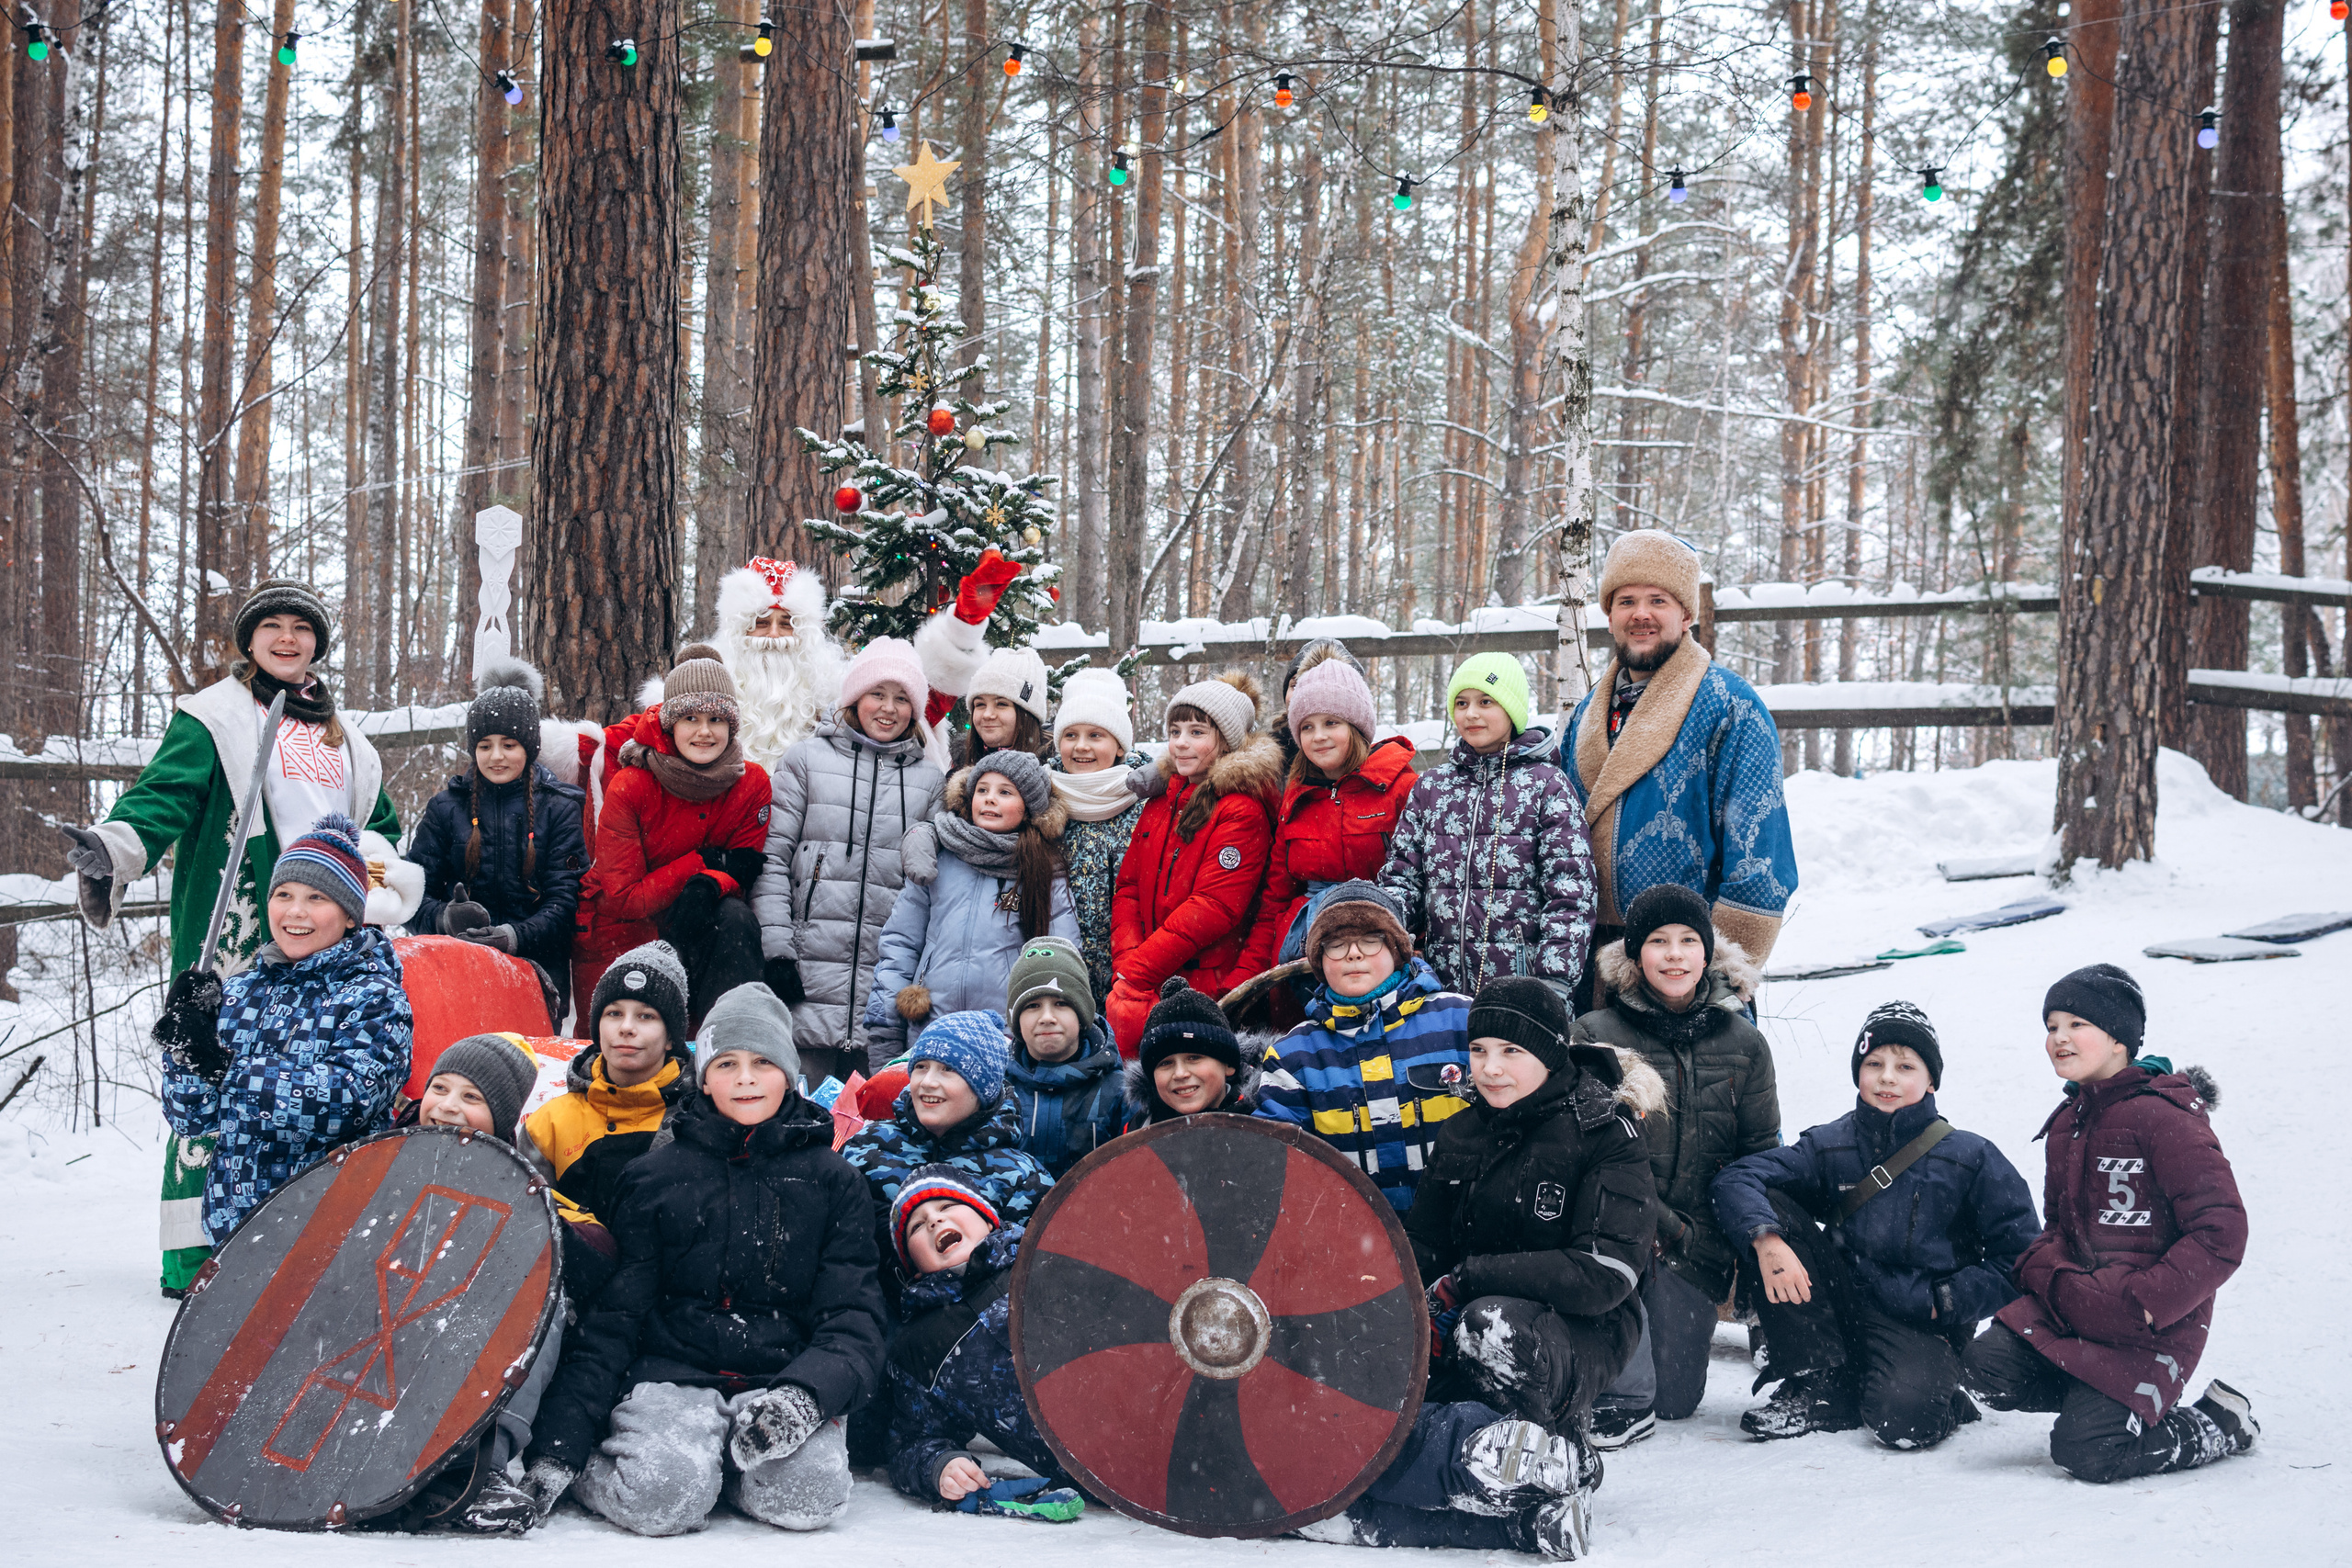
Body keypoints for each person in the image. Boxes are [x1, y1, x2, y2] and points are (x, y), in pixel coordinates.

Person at [62, 581, 411, 1292]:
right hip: (245, 919)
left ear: (318, 642)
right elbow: (165, 792)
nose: (288, 638)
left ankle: (305, 1237)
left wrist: (383, 882)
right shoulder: (214, 717)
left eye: (301, 628)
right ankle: (194, 1253)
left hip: (330, 928)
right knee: (210, 1061)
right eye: (272, 627)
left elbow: (381, 824)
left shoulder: (343, 733)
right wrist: (114, 847)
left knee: (311, 1082)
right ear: (248, 641)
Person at [518, 983, 886, 1537]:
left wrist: (806, 1396)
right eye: (727, 1063)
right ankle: (628, 1475)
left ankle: (727, 1475)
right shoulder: (654, 1178)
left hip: (779, 1373)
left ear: (788, 1072)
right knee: (660, 1499)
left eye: (762, 1062)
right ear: (703, 1075)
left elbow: (853, 1314)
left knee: (810, 1496)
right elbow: (614, 1321)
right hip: (672, 1377)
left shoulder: (834, 1181)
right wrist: (558, 1452)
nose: (744, 1078)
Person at [1399, 976, 1663, 1560]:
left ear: (1548, 1052)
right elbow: (1424, 1239)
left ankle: (1551, 1453)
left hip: (1586, 1327)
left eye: (1511, 1052)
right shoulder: (1464, 1129)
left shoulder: (1604, 1131)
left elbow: (1604, 1274)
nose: (1490, 1068)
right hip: (1471, 1306)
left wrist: (1469, 1279)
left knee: (1489, 1326)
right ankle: (1485, 1463)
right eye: (1479, 1051)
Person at [1962, 964, 2256, 1483]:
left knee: (2089, 1453)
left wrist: (2147, 1303)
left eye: (2076, 1023)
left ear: (2120, 1037)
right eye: (2051, 1026)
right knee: (1984, 1370)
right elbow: (2057, 1225)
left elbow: (2222, 1231)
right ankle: (2099, 1398)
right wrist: (2046, 1269)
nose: (2059, 1038)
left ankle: (2218, 1423)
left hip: (2149, 1329)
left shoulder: (2164, 1118)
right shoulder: (2066, 1124)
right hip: (2075, 1307)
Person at [1711, 1002, 2041, 1450]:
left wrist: (1943, 1300)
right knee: (1766, 1200)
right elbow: (1737, 1179)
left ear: (1931, 1079)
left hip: (1920, 1320)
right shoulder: (1830, 1145)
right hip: (1838, 1302)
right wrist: (1767, 1241)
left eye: (1905, 1066)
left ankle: (1929, 1393)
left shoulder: (1971, 1157)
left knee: (1905, 1424)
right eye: (1874, 1064)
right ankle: (1818, 1381)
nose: (1887, 1077)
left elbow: (2020, 1258)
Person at [151, 814, 413, 1248]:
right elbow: (192, 1117)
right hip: (235, 1229)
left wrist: (227, 1070)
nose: (295, 911)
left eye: (316, 898)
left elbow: (346, 1101)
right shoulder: (237, 991)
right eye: (284, 894)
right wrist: (187, 1050)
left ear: (351, 916)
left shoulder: (376, 997)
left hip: (333, 1226)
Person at [1576, 884, 1779, 1442]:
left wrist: (1738, 1241)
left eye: (1689, 940)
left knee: (1673, 1400)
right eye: (1658, 941)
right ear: (1635, 955)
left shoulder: (1744, 1042)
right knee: (1613, 1374)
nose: (1674, 954)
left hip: (1696, 1244)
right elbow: (1586, 1156)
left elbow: (1761, 1154)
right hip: (1616, 1231)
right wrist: (1659, 1225)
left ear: (1708, 953)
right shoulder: (1598, 1037)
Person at [390, 1033, 614, 1535]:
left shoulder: (524, 1187)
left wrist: (533, 1213)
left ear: (504, 1117)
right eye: (439, 1088)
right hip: (378, 1347)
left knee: (543, 1299)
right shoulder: (379, 1162)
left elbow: (598, 1254)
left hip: (458, 1360)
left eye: (472, 1098)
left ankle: (475, 1468)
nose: (447, 1107)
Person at [1560, 530, 1797, 983]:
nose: (1641, 614)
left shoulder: (1731, 707)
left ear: (1687, 614)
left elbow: (1759, 861)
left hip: (1685, 972)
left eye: (1658, 600)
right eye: (1626, 601)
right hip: (1591, 967)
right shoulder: (1585, 715)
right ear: (1609, 616)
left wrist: (1717, 978)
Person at [753, 637, 948, 1084]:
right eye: (877, 693)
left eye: (902, 699)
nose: (888, 708)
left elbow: (933, 889)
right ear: (854, 697)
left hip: (883, 993)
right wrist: (778, 951)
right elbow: (773, 861)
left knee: (869, 1133)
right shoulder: (805, 762)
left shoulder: (929, 781)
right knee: (799, 1122)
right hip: (806, 980)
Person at [1380, 654, 1594, 1001]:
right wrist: (1384, 942)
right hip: (1439, 985)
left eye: (1486, 701)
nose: (1471, 713)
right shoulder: (1432, 787)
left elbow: (1570, 893)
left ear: (1512, 709)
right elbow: (1402, 878)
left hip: (1523, 987)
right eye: (1461, 703)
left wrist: (1552, 984)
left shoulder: (1546, 786)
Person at [576, 645, 770, 1027]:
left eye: (717, 719)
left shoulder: (752, 783)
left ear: (731, 725)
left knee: (734, 917)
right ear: (669, 724)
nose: (704, 731)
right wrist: (701, 865)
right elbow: (623, 897)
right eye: (690, 718)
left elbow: (744, 864)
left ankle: (728, 1037)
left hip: (705, 928)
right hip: (625, 930)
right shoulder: (632, 785)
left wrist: (710, 884)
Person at [881, 1168, 1086, 1521]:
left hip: (1170, 1419)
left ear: (990, 1221)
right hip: (1091, 1477)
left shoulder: (1050, 1255)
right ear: (912, 1266)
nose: (934, 1220)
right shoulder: (921, 1347)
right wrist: (941, 1466)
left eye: (947, 1205)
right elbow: (912, 1442)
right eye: (916, 1226)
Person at [1253, 882, 1471, 1213]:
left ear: (1397, 951)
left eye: (1371, 940)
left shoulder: (1461, 1020)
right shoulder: (1292, 1057)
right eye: (1336, 944)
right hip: (1353, 1246)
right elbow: (1274, 1165)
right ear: (1319, 960)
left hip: (1467, 1237)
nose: (1353, 953)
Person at [1106, 671, 1283, 1055]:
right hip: (1150, 976)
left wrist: (1139, 971)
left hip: (1205, 982)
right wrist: (1128, 960)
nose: (1181, 743)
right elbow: (1129, 888)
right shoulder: (1161, 801)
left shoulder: (1240, 809)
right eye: (1175, 731)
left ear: (1226, 741)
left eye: (1197, 732)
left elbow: (1215, 907)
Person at [401, 659, 587, 1018]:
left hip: (538, 973)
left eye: (509, 744)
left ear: (529, 747)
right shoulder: (445, 808)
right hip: (457, 971)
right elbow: (412, 893)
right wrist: (445, 919)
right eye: (485, 745)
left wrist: (513, 936)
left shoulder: (559, 807)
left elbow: (565, 903)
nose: (496, 756)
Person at [865, 750, 1078, 1054]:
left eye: (1005, 792)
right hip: (931, 1027)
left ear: (1029, 807)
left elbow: (1061, 955)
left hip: (1004, 1037)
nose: (990, 799)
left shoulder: (1044, 868)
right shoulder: (941, 855)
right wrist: (885, 1023)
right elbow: (901, 942)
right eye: (982, 790)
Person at [1239, 657, 1419, 996]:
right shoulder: (1297, 794)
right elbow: (1276, 897)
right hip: (1303, 950)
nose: (1318, 737)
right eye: (1307, 727)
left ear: (1357, 726)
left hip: (1379, 950)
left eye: (1331, 723)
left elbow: (1419, 881)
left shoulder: (1399, 787)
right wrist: (1259, 971)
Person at [840, 1009, 1057, 1247]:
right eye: (921, 1067)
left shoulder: (1022, 1178)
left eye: (948, 1069)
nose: (928, 1082)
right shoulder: (865, 1146)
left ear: (983, 1089)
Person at [525, 940, 695, 1226]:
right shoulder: (549, 1124)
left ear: (670, 1038)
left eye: (646, 1016)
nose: (626, 1028)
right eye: (614, 1013)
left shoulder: (698, 1122)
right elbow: (525, 1225)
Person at [1045, 669, 1145, 1008]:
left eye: (1096, 735)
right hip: (1057, 974)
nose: (1081, 746)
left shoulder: (1146, 802)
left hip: (1133, 972)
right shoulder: (1041, 798)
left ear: (1119, 746)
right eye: (1070, 735)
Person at [695, 557, 845, 770]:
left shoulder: (833, 702)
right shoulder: (704, 689)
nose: (774, 635)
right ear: (740, 630)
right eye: (762, 623)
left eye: (786, 624)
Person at [1001, 938, 1126, 1178]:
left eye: (1061, 1003)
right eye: (1032, 1006)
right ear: (1015, 1019)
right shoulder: (997, 1089)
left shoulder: (1118, 1090)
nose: (1047, 1017)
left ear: (1082, 1015)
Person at [1123, 977, 1259, 1127]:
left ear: (1228, 1065)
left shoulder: (1263, 1114)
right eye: (1166, 1063)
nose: (1180, 1074)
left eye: (1194, 1058)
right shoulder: (1142, 1127)